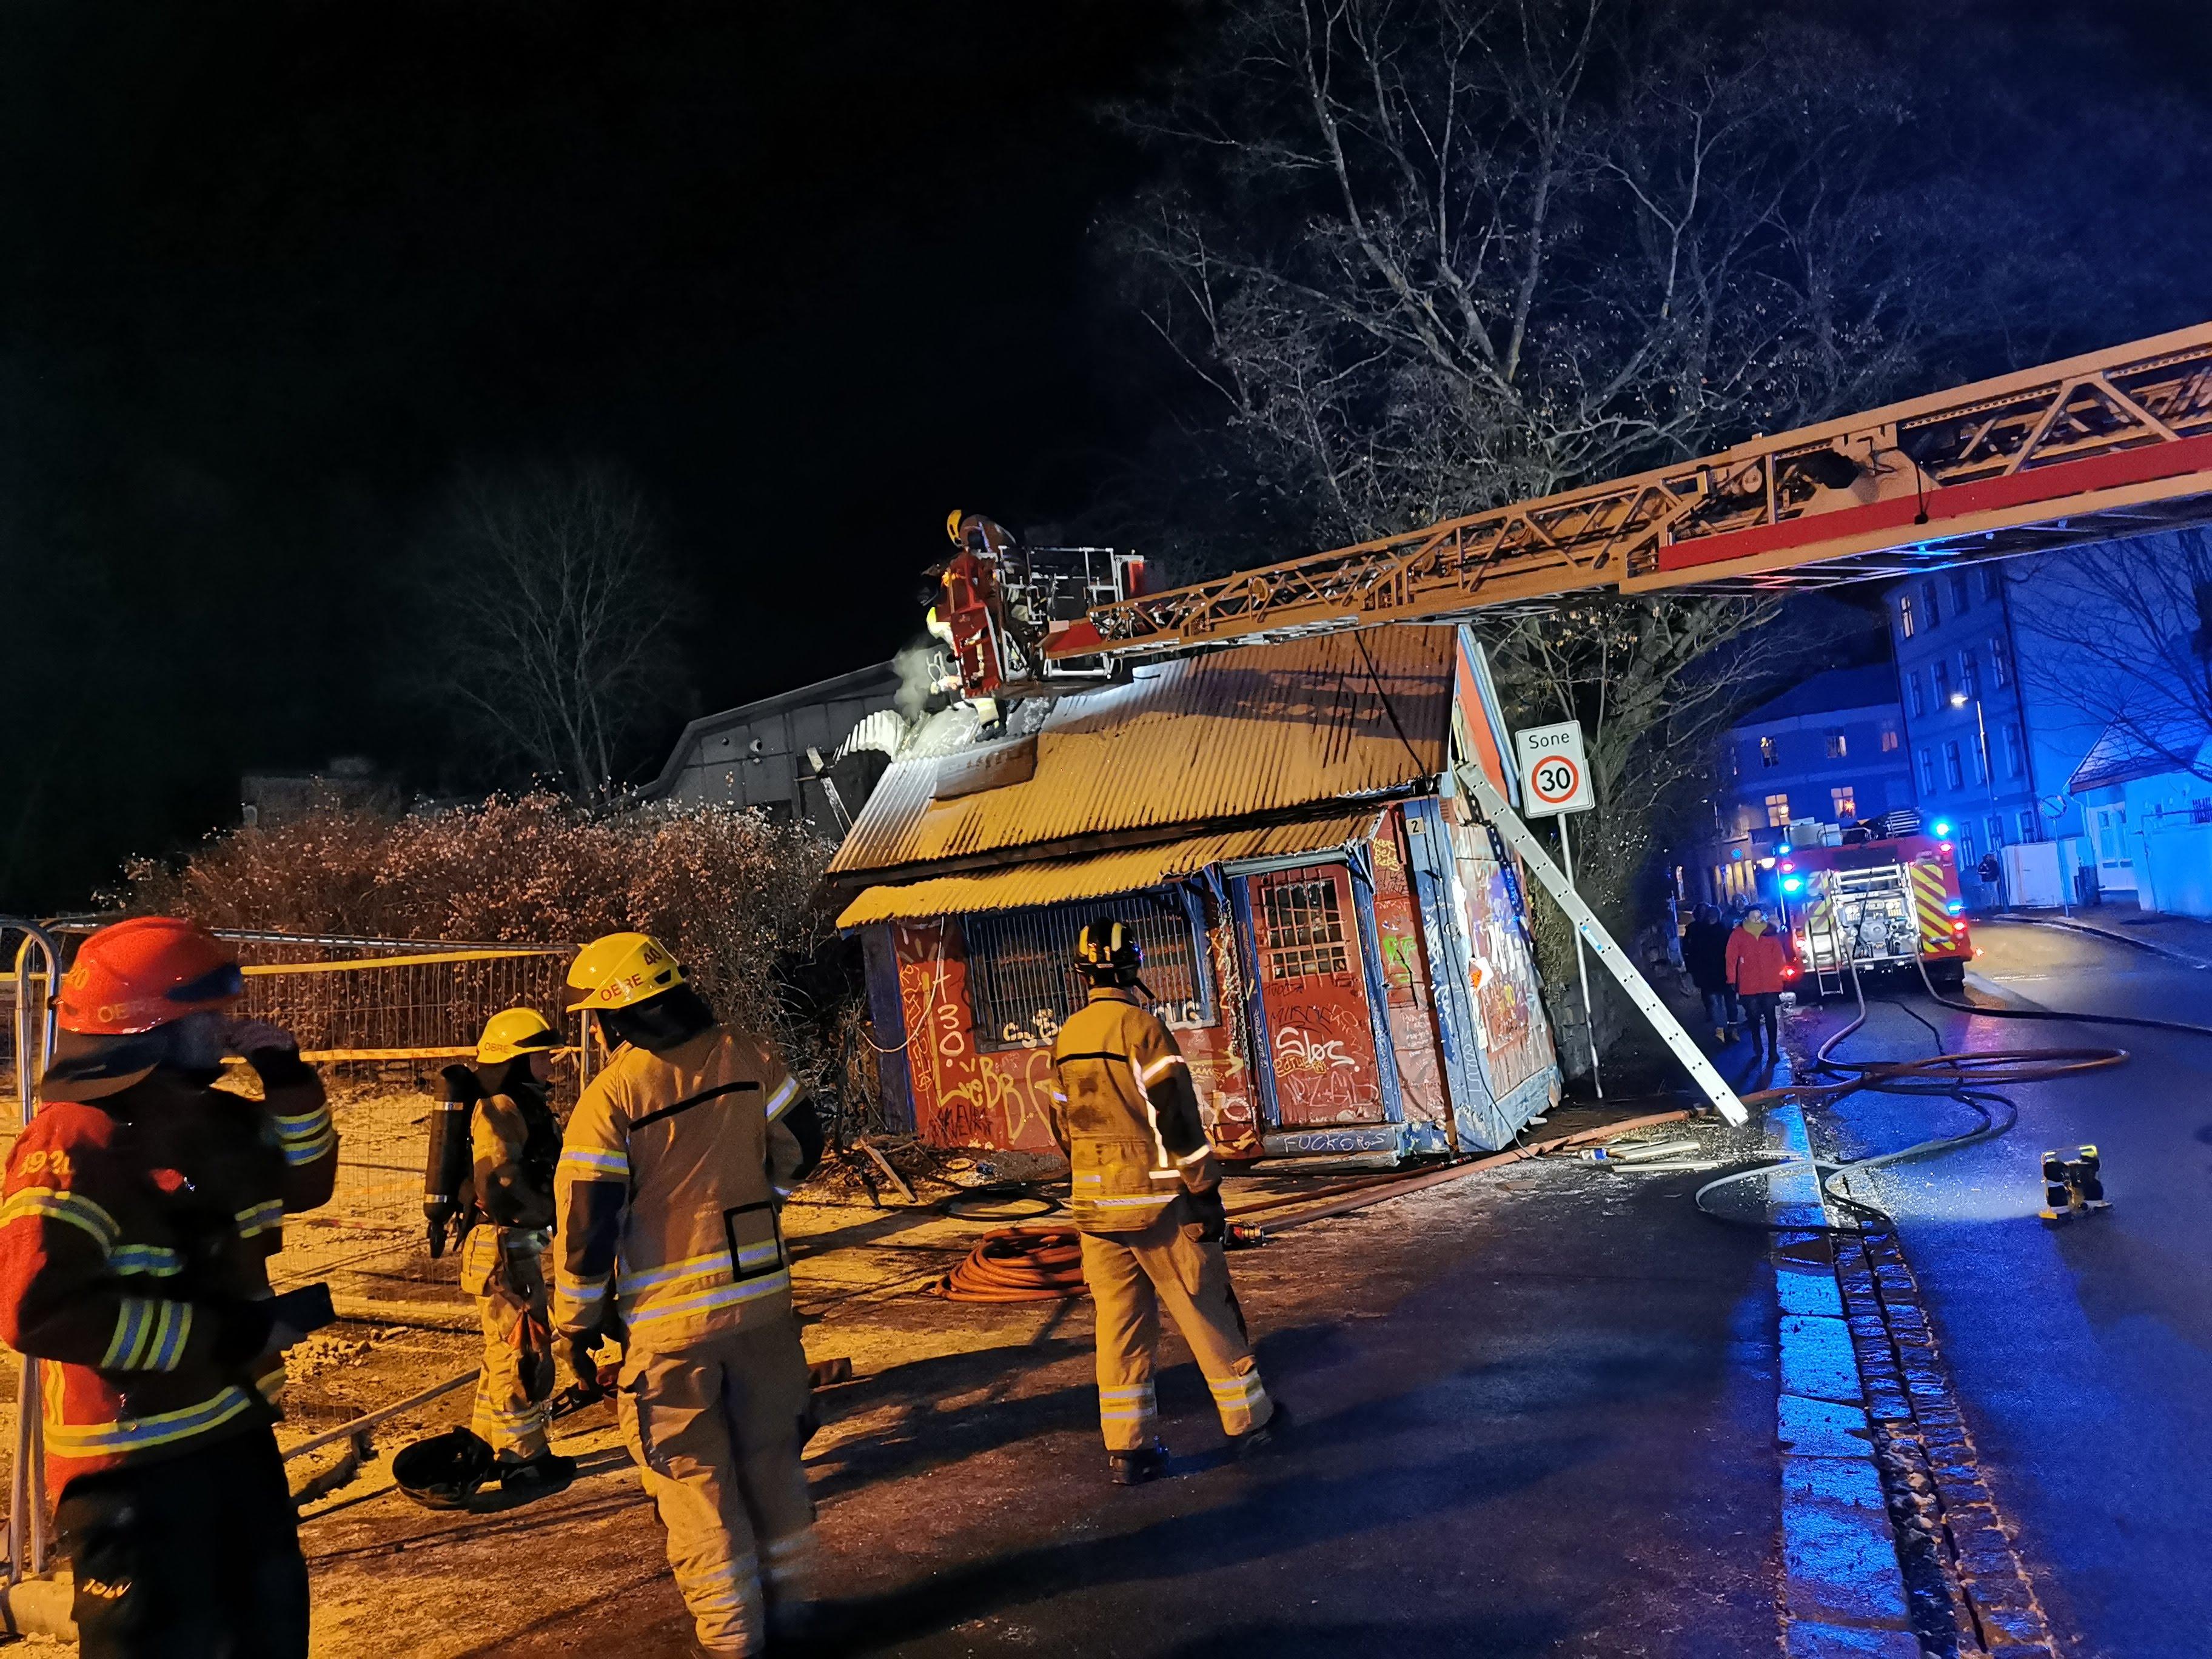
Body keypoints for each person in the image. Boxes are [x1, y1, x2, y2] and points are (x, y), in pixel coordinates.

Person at [0, 916, 338, 1658]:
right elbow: (38, 1309)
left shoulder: (210, 1121)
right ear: (149, 1025)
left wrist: (288, 1080)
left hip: (235, 1439)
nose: (226, 1028)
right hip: (131, 1473)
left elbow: (307, 1181)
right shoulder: (71, 1138)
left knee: (270, 1639)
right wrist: (223, 1338)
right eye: (208, 1016)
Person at [552, 933, 825, 1658]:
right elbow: (806, 1138)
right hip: (763, 1309)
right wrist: (763, 1203)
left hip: (671, 1332)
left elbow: (588, 1225)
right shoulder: (746, 1054)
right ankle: (797, 1614)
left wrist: (576, 1326)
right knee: (773, 1462)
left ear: (612, 1016)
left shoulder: (612, 1096)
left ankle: (734, 1641)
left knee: (694, 1485)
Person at [1048, 917, 1279, 1485]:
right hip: (1158, 1205)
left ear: (1080, 974)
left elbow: (1062, 1125)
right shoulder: (1143, 1030)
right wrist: (1203, 1190)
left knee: (1120, 1328)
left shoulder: (1067, 1037)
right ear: (1134, 970)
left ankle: (1130, 1451)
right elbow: (1175, 1117)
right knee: (1205, 1309)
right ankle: (1251, 1425)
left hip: (1095, 1211)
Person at [455, 1006, 575, 1495]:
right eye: (541, 1057)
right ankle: (524, 1460)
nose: (549, 1065)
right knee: (522, 1353)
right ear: (517, 1061)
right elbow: (501, 1182)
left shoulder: (519, 1105)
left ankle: (486, 1446)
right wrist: (553, 1204)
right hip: (502, 1252)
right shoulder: (500, 1108)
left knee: (501, 1355)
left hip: (509, 1248)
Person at [1725, 905, 1794, 1066]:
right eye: (1753, 916)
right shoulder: (1738, 934)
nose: (1757, 919)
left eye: (1759, 915)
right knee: (1753, 1016)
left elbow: (1779, 956)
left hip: (1770, 983)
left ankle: (1772, 1050)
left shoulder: (1770, 933)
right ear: (1747, 917)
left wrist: (1781, 975)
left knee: (1770, 1016)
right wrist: (1732, 980)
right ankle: (1757, 1045)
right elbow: (1731, 958)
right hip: (1749, 984)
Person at [1682, 903, 1734, 1044]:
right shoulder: (1699, 930)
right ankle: (1723, 1028)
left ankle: (1727, 1027)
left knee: (1722, 1000)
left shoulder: (1721, 931)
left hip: (1719, 971)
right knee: (1715, 1001)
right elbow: (1692, 950)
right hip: (1710, 972)